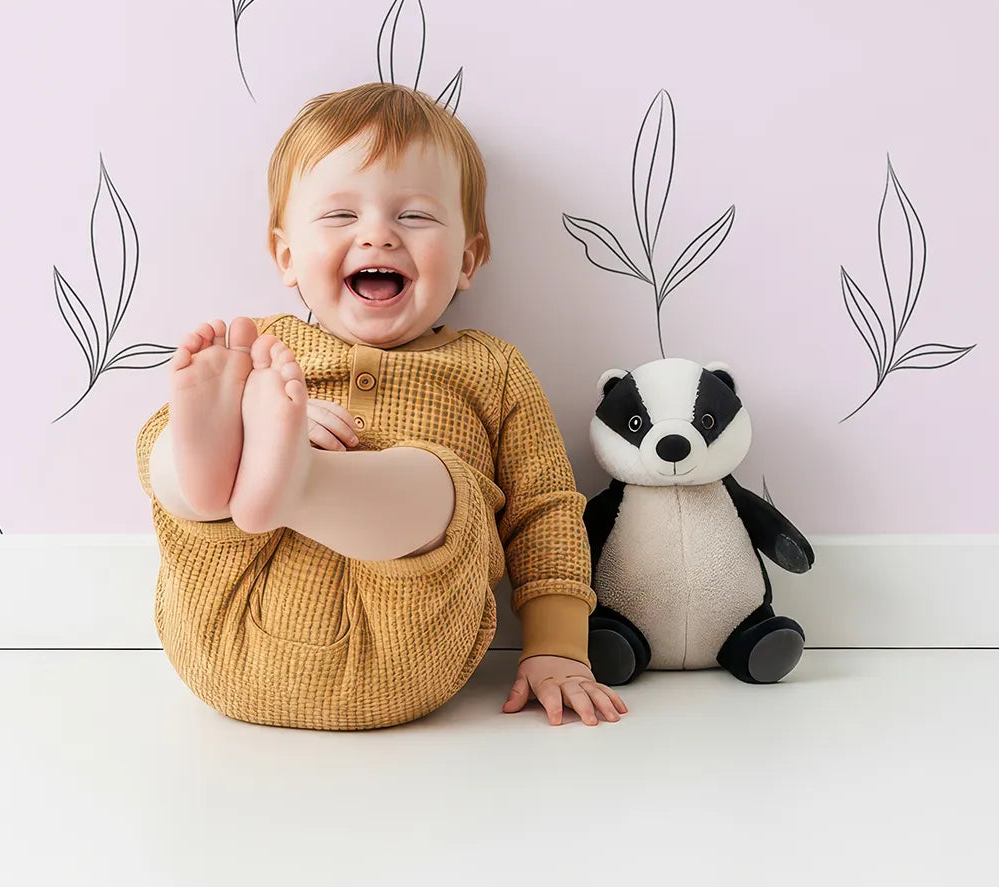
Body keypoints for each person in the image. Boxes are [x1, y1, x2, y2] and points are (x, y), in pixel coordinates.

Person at [135, 82, 629, 731]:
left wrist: (558, 647)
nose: (378, 237)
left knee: (437, 480)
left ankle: (293, 482)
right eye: (341, 216)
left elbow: (546, 513)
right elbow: (160, 440)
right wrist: (246, 427)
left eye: (415, 217)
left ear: (469, 259)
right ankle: (223, 468)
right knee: (172, 449)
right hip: (226, 623)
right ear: (285, 255)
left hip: (405, 647)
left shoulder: (490, 369)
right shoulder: (260, 353)